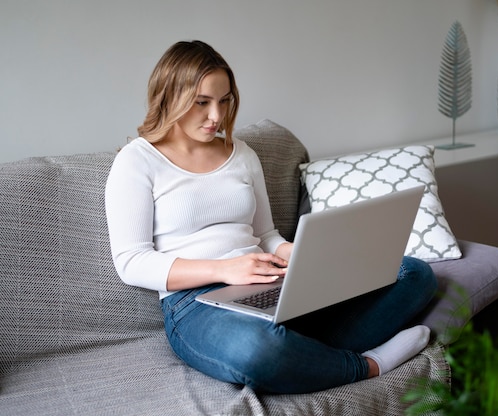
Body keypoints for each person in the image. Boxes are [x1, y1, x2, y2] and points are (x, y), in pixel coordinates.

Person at [105, 40, 438, 394]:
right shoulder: (137, 160)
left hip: (272, 281)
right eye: (202, 102)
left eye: (224, 100)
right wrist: (225, 269)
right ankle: (367, 365)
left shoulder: (242, 154)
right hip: (194, 304)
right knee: (258, 349)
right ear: (169, 95)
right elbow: (131, 262)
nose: (216, 116)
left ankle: (306, 355)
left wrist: (297, 253)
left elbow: (265, 235)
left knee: (414, 274)